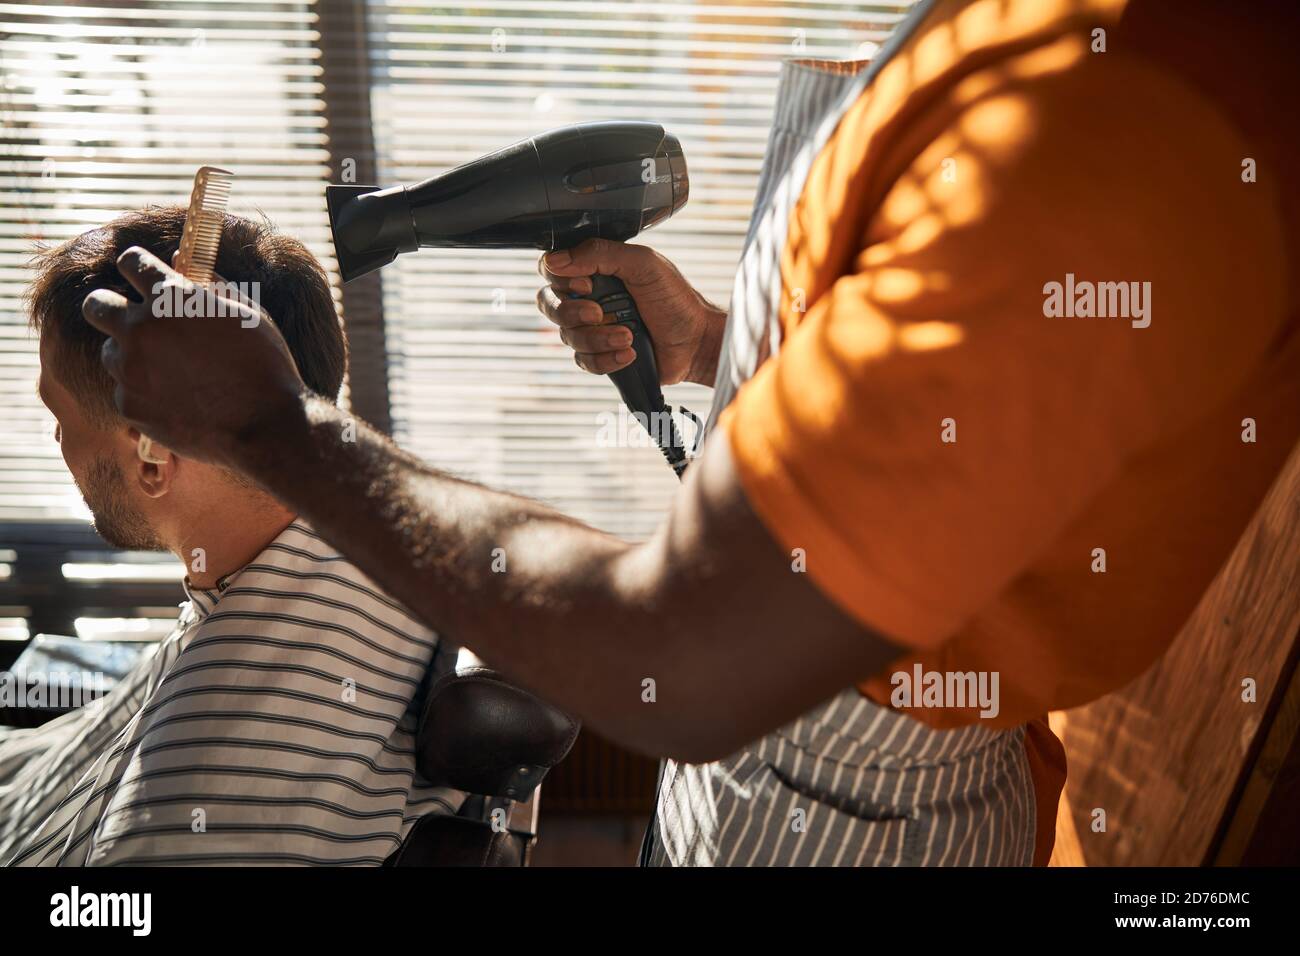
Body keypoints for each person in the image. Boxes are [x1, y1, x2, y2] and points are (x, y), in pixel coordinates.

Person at [79, 0, 1300, 866]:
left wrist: (274, 423)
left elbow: (686, 655)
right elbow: (958, 409)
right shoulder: (1038, 46)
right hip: (787, 760)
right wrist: (721, 348)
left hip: (845, 804)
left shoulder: (1101, 139)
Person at [1, 208, 461, 865]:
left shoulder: (202, 796)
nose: (55, 440)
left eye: (59, 414)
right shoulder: (376, 546)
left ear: (153, 453)